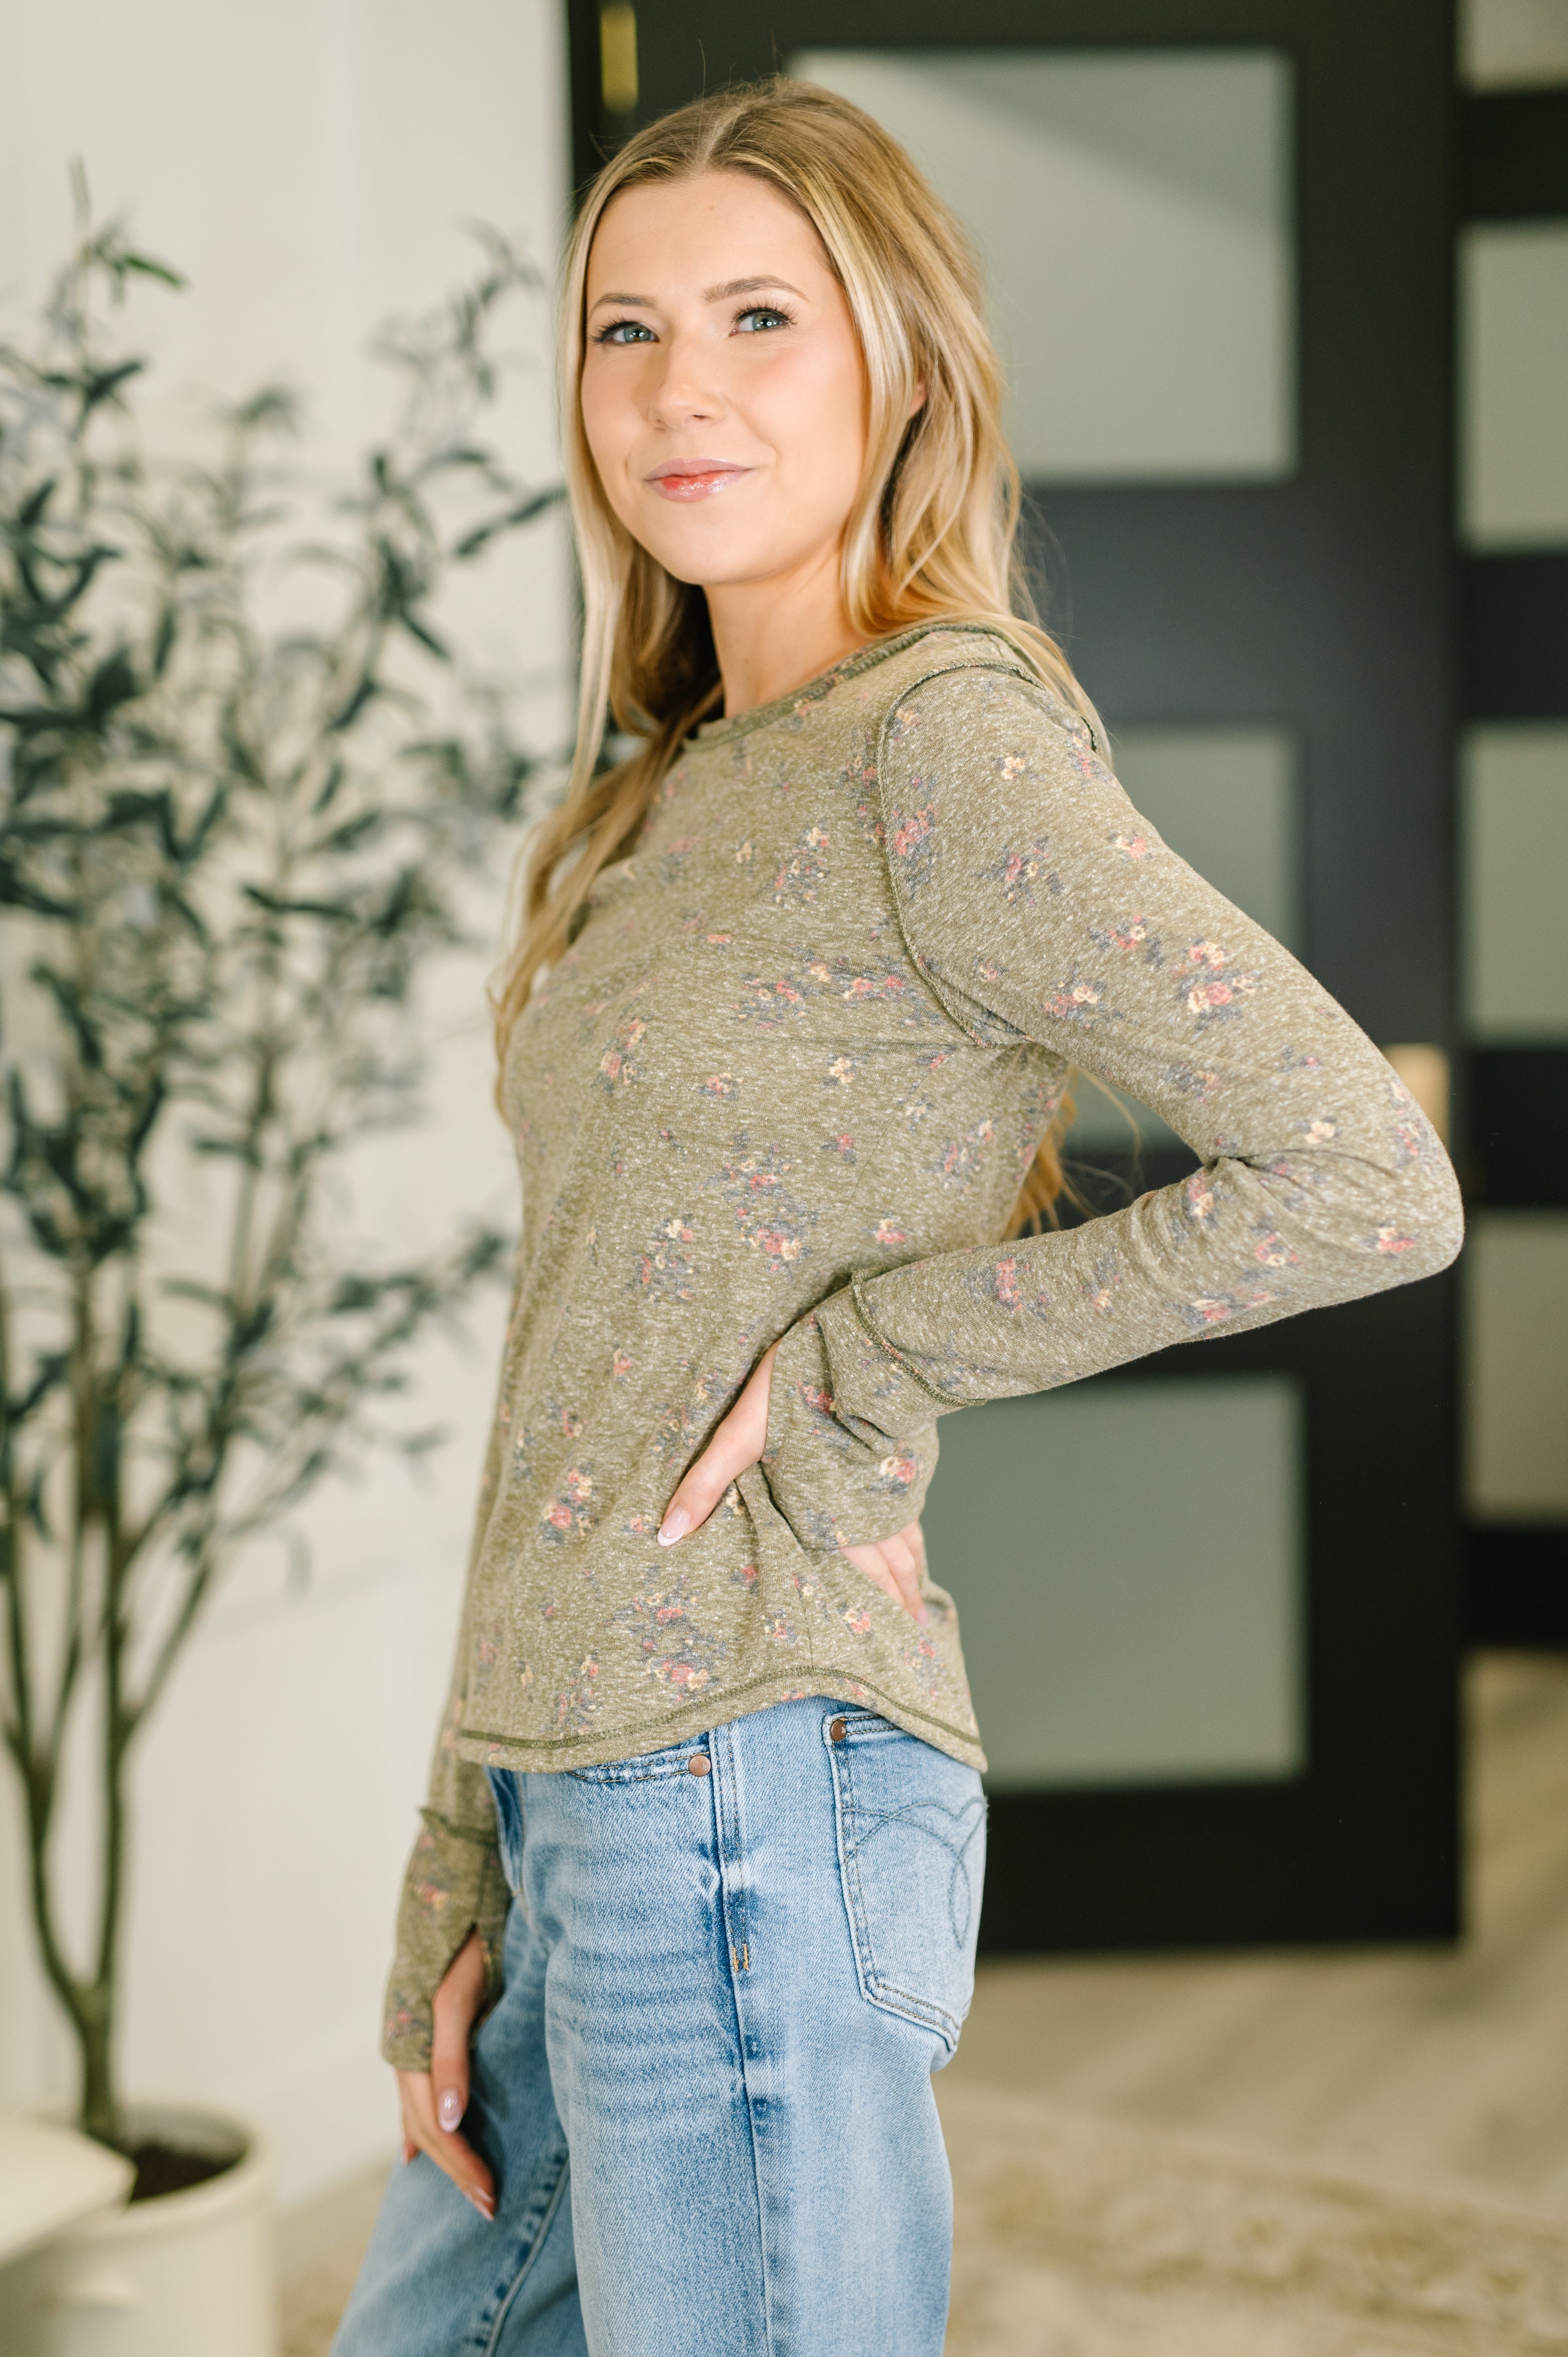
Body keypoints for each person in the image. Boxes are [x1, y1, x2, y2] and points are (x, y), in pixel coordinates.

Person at [333, 76, 1463, 2357]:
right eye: (622, 328)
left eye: (761, 315)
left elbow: (1370, 1179)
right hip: (576, 1794)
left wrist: (875, 1356)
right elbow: (582, 1347)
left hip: (745, 1788)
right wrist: (463, 1847)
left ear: (900, 369)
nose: (680, 388)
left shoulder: (939, 752)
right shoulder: (659, 792)